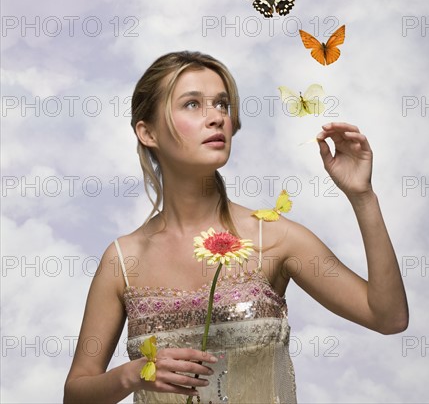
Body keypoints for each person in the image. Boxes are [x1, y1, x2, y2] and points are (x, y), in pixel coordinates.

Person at [64, 50, 408, 404]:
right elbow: (75, 394)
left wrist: (363, 197)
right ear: (147, 132)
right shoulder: (123, 260)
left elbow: (389, 317)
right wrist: (132, 374)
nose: (216, 118)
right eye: (192, 105)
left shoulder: (272, 237)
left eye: (222, 104)